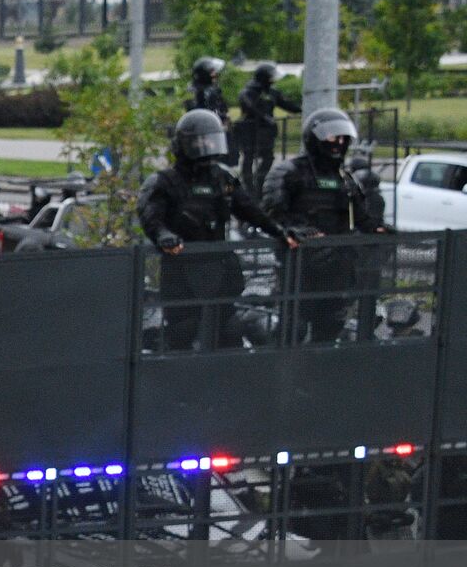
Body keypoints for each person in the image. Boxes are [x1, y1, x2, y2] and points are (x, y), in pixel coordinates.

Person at [138, 109, 297, 351]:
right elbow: (151, 216)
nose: (207, 147)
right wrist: (163, 236)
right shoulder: (165, 181)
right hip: (182, 267)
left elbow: (248, 209)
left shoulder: (222, 178)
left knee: (228, 331)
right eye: (201, 142)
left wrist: (278, 231)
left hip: (219, 266)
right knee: (182, 330)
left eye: (212, 140)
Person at [263, 107, 386, 343]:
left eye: (342, 138)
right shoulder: (287, 172)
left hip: (336, 269)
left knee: (330, 327)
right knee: (292, 328)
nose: (337, 143)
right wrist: (295, 230)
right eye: (332, 137)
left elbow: (362, 218)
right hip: (299, 266)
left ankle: (318, 375)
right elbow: (272, 213)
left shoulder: (345, 179)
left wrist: (378, 231)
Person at [236, 62, 301, 199]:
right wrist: (263, 117)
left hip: (266, 133)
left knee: (268, 158)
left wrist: (302, 108)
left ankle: (260, 183)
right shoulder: (249, 91)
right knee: (248, 157)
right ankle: (249, 187)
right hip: (250, 131)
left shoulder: (272, 92)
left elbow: (286, 104)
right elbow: (249, 106)